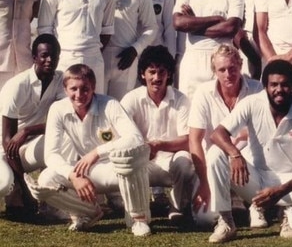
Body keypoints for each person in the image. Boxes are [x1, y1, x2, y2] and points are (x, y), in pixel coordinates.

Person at [207, 59, 292, 243]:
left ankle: (291, 217)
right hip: (253, 179)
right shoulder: (252, 103)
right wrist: (235, 154)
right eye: (274, 85)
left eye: (285, 85)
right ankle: (226, 222)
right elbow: (217, 134)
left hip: (287, 182)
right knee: (215, 154)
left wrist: (278, 191)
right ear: (265, 86)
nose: (279, 90)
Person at [26, 64, 152, 236]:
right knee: (47, 178)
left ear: (93, 88)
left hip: (116, 168)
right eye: (73, 89)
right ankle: (87, 213)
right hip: (86, 172)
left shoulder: (109, 104)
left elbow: (135, 138)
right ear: (65, 89)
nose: (79, 95)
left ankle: (138, 219)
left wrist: (97, 152)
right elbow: (51, 154)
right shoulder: (58, 108)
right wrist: (73, 175)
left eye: (85, 89)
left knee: (130, 156)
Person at [187, 44, 263, 232]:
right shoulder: (203, 93)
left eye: (232, 68)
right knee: (204, 219)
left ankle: (256, 204)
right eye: (222, 70)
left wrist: (237, 143)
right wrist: (204, 183)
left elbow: (266, 131)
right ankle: (227, 214)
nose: (228, 74)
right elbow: (195, 140)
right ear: (214, 71)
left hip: (248, 160)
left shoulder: (257, 89)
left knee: (244, 145)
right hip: (216, 162)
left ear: (241, 65)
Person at [120, 45, 194, 222]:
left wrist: (160, 145)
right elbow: (120, 135)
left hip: (171, 162)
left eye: (162, 72)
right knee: (125, 160)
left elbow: (189, 140)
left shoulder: (181, 100)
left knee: (185, 161)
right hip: (142, 161)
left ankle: (177, 205)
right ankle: (138, 209)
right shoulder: (131, 99)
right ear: (142, 74)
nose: (156, 77)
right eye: (151, 71)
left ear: (169, 74)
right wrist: (143, 148)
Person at [0, 34, 65, 215]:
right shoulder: (17, 86)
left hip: (27, 144)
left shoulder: (61, 81)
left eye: (54, 55)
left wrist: (27, 131)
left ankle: (51, 200)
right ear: (34, 58)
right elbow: (8, 143)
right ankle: (16, 192)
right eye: (44, 55)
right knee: (4, 184)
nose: (49, 60)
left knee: (62, 140)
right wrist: (26, 190)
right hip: (5, 151)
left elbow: (63, 122)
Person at [173, 0, 243, 100]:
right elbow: (178, 23)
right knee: (190, 116)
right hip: (192, 62)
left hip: (222, 61)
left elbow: (231, 28)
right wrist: (217, 19)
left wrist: (193, 23)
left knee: (221, 114)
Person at [97, 0, 157, 100]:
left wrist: (134, 50)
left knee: (121, 112)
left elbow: (151, 27)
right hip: (97, 57)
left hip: (126, 60)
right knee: (96, 110)